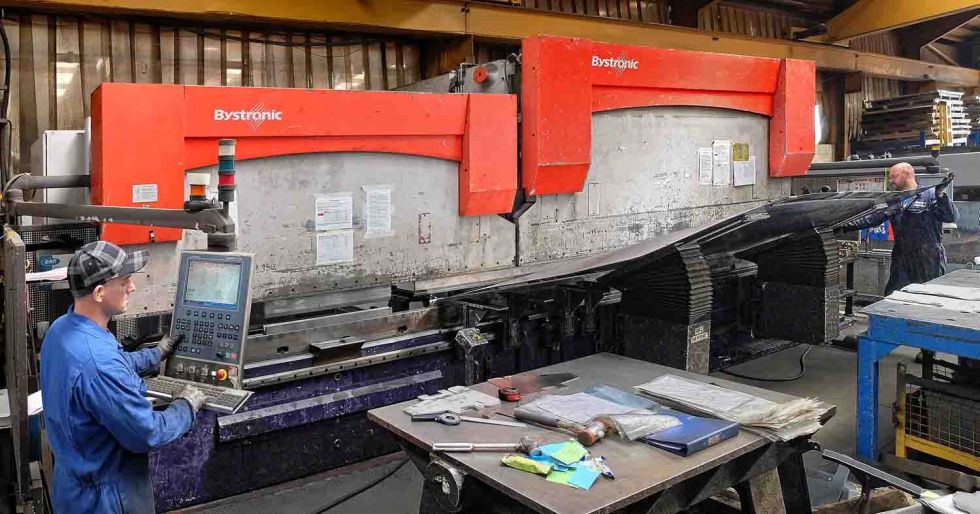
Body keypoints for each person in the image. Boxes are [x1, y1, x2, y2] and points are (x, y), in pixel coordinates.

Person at [40, 241, 206, 513]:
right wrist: (185, 407)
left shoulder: (62, 330)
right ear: (99, 292)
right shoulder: (99, 364)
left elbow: (100, 369)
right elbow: (146, 432)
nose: (132, 287)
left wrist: (154, 355)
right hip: (108, 499)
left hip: (71, 489)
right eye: (125, 280)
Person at [843, 162, 957, 295]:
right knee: (894, 294)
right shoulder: (895, 200)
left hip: (927, 257)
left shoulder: (930, 195)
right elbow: (873, 218)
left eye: (893, 176)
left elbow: (950, 217)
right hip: (902, 256)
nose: (890, 181)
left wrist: (941, 195)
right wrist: (844, 225)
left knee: (926, 296)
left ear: (906, 174)